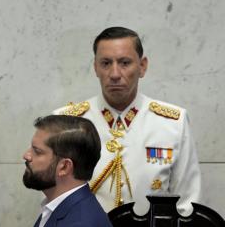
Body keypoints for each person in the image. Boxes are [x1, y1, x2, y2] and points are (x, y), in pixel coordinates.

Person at [55, 26, 201, 215]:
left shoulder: (173, 123)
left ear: (142, 66)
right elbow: (54, 202)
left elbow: (187, 203)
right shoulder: (66, 122)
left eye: (124, 63)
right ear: (95, 68)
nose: (115, 74)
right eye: (106, 63)